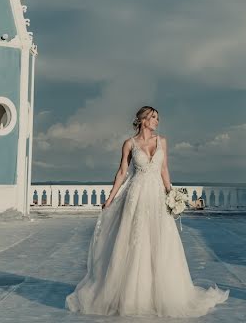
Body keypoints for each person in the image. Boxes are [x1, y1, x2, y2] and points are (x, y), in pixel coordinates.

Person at [65, 106, 229, 317]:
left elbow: (164, 170)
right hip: (136, 197)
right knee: (134, 243)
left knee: (159, 243)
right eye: (153, 117)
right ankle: (132, 297)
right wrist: (109, 199)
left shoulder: (163, 142)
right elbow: (122, 173)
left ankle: (161, 294)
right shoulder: (129, 144)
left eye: (158, 118)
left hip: (157, 198)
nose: (157, 121)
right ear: (143, 120)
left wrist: (173, 195)